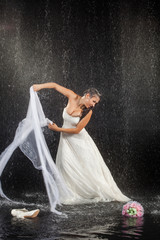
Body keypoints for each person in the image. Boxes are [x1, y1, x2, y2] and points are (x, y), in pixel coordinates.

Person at [33, 82, 130, 204]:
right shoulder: (72, 96)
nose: (93, 105)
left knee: (88, 166)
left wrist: (58, 129)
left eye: (95, 103)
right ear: (88, 95)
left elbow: (77, 130)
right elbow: (55, 86)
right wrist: (39, 87)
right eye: (93, 101)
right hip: (66, 140)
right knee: (65, 165)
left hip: (80, 141)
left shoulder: (88, 112)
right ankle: (70, 193)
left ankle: (95, 189)